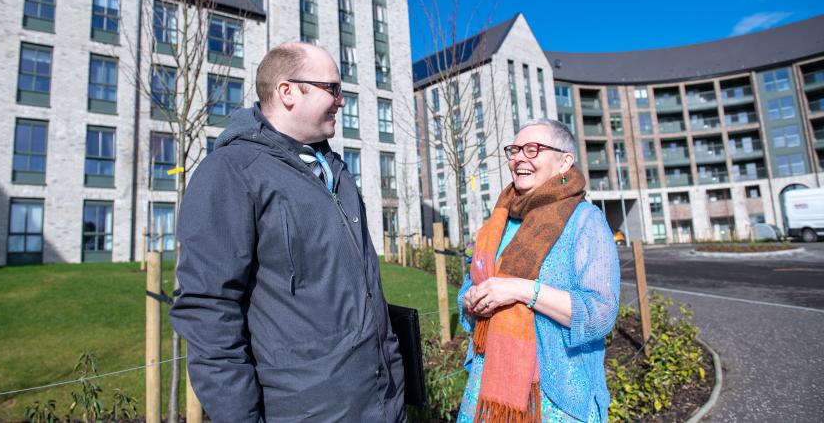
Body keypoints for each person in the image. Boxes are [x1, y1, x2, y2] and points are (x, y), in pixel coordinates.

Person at [170, 42, 405, 423]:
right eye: (332, 88)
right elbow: (208, 311)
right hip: (306, 412)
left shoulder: (337, 172)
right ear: (287, 91)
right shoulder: (231, 172)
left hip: (381, 403)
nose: (341, 101)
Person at [456, 119, 620, 423]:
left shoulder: (586, 221)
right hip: (487, 392)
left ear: (564, 162)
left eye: (532, 149)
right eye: (514, 150)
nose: (519, 158)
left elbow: (600, 313)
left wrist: (521, 289)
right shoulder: (499, 222)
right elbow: (468, 288)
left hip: (555, 400)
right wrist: (470, 300)